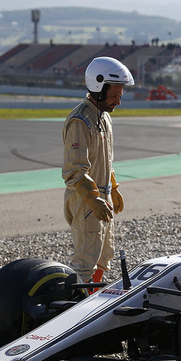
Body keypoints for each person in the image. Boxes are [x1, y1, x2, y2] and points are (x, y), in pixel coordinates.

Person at [62, 56, 134, 285]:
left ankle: (93, 295)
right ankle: (78, 304)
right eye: (114, 96)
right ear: (98, 88)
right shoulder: (80, 122)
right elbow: (74, 171)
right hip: (86, 201)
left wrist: (113, 188)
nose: (118, 102)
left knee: (104, 255)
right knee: (85, 260)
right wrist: (94, 199)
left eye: (120, 96)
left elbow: (106, 160)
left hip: (102, 199)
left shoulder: (104, 119)